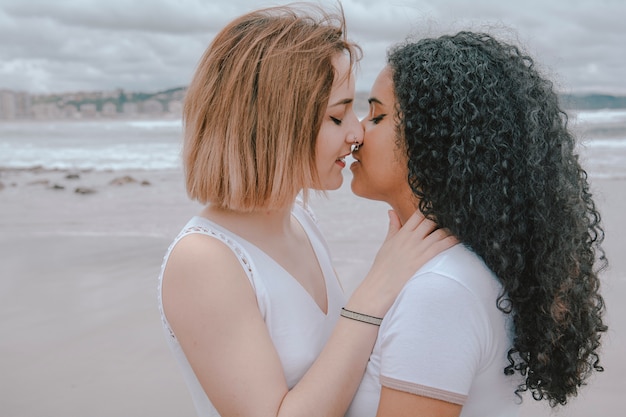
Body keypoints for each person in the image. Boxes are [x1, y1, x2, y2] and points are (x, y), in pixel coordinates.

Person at [157, 5, 456, 417]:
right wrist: (375, 289)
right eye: (337, 115)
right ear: (275, 124)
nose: (356, 133)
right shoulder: (204, 260)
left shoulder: (299, 220)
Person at [347, 31, 608, 417]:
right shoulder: (458, 268)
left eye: (377, 115)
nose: (355, 132)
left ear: (434, 140)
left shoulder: (440, 291)